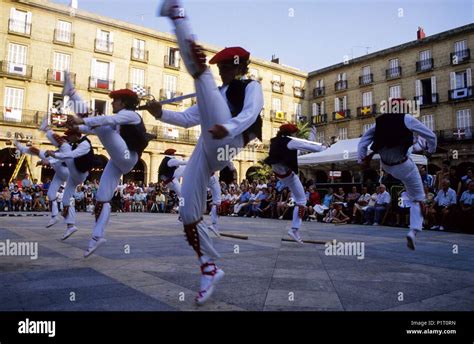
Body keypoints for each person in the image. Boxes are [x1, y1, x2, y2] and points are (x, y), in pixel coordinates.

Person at [143, 0, 264, 304]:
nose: (222, 70)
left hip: (228, 142)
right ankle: (209, 267)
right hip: (207, 147)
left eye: (226, 66)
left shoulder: (251, 86)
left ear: (239, 66)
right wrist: (159, 114)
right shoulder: (217, 93)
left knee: (202, 78)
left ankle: (178, 15)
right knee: (187, 215)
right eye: (220, 66)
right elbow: (187, 118)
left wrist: (229, 127)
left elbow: (251, 114)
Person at [66, 78, 151, 257]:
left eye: (114, 100)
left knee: (103, 127)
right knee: (102, 198)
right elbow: (96, 128)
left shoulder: (131, 115)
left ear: (123, 102)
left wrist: (80, 121)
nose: (112, 103)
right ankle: (97, 237)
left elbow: (104, 121)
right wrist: (79, 126)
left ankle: (72, 94)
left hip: (129, 156)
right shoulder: (120, 119)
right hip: (118, 160)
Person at [358, 98, 437, 250]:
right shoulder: (406, 118)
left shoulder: (379, 122)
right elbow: (431, 136)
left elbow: (363, 141)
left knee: (406, 163)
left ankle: (413, 228)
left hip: (386, 166)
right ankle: (413, 231)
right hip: (404, 166)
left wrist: (361, 158)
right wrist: (431, 151)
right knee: (417, 199)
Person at [264, 123, 327, 243]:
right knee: (301, 201)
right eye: (295, 132)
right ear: (291, 133)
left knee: (300, 200)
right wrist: (324, 148)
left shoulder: (276, 141)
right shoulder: (291, 142)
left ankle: (294, 229)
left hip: (280, 174)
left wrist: (312, 136)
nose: (296, 134)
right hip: (288, 176)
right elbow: (310, 147)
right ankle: (294, 229)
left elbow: (302, 149)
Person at [44, 127, 93, 240]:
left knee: (66, 150)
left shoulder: (85, 144)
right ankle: (70, 226)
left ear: (76, 135)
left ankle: (47, 130)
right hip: (73, 174)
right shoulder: (75, 143)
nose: (69, 138)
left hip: (80, 173)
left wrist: (54, 155)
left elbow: (71, 155)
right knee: (66, 200)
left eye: (70, 136)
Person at [14, 137, 69, 227]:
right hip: (59, 173)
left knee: (67, 198)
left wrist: (46, 161)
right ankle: (55, 216)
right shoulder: (54, 152)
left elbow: (58, 158)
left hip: (70, 174)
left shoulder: (67, 151)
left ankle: (69, 219)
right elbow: (36, 151)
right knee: (51, 194)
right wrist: (21, 147)